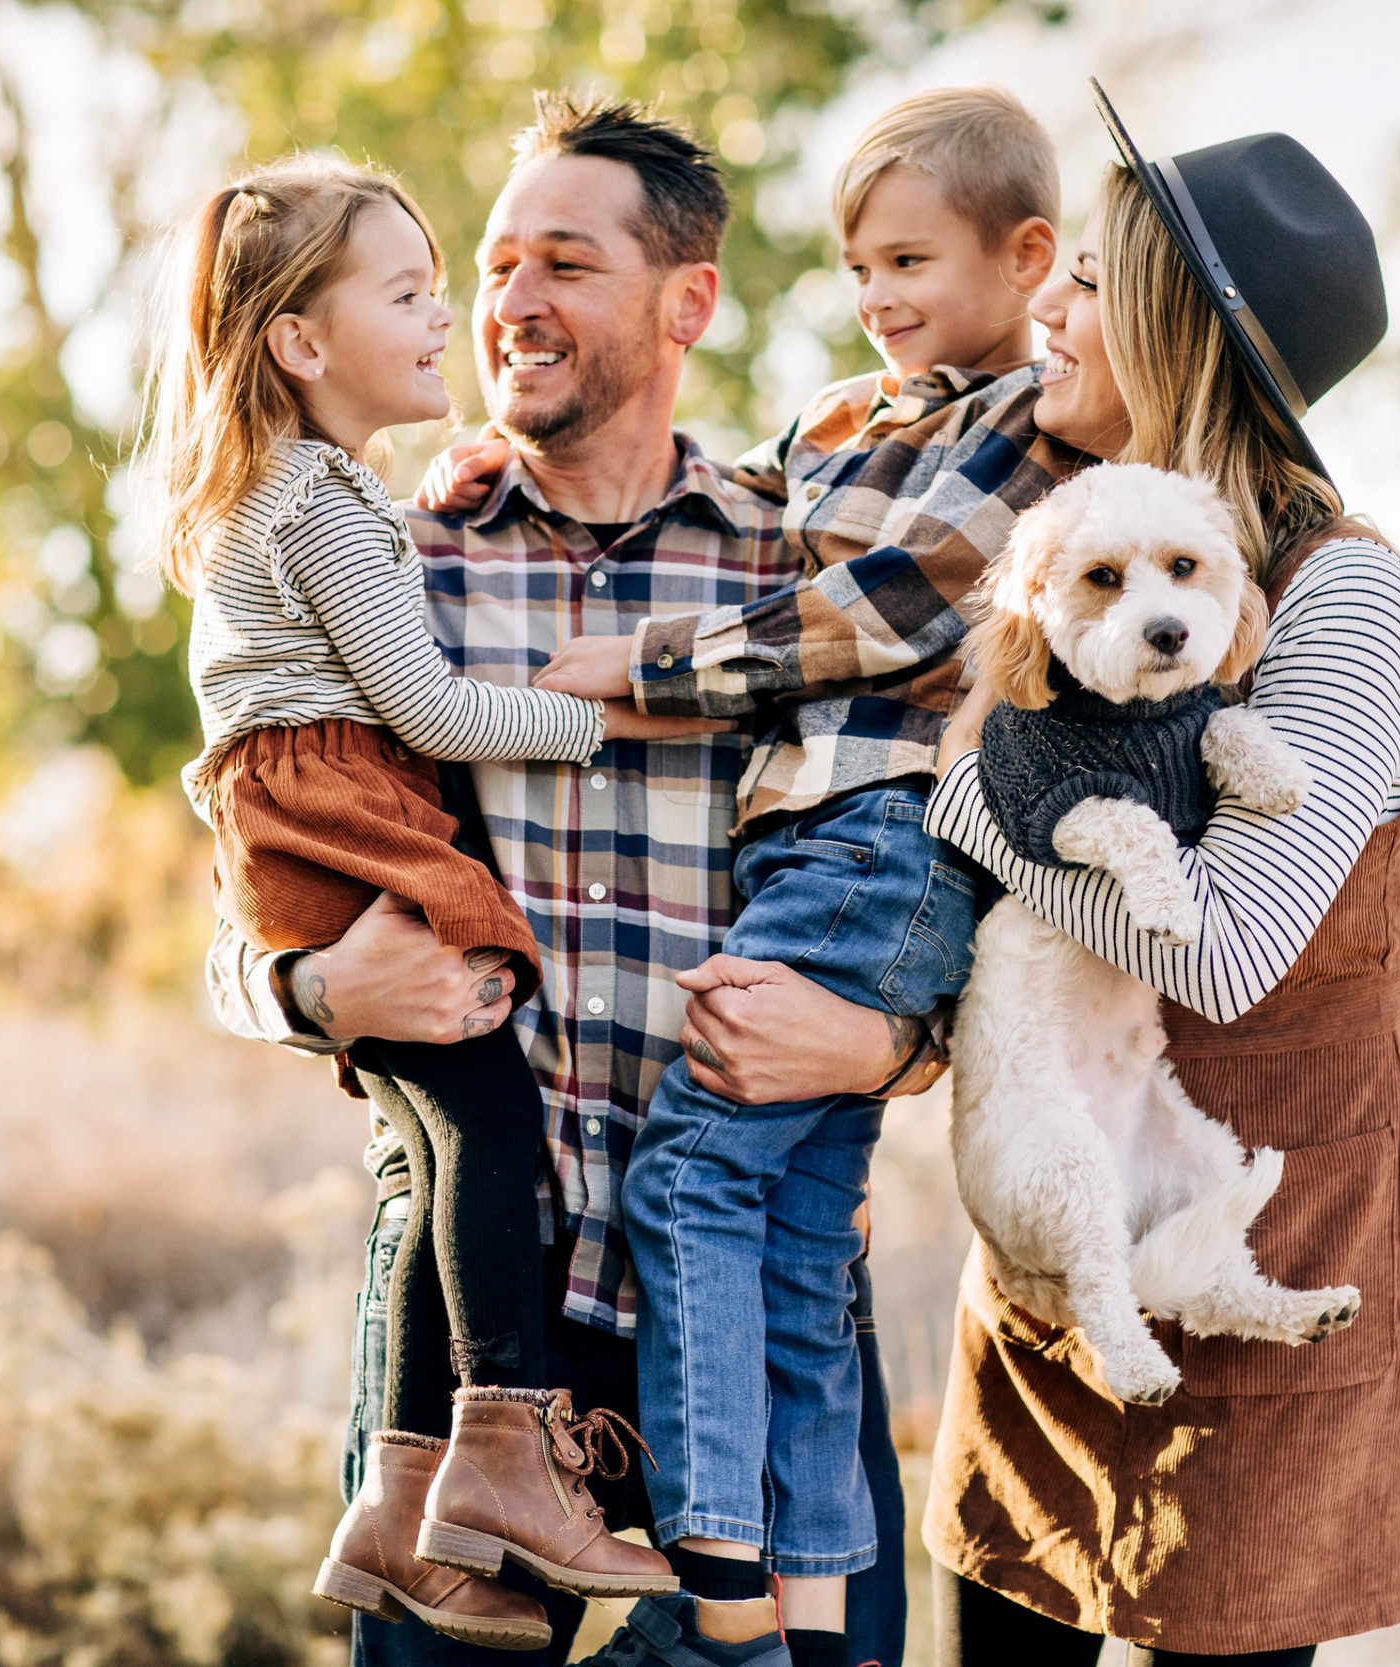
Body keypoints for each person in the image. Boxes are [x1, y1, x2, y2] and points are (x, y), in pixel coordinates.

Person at [202, 95, 929, 1667]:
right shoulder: (393, 561)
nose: (511, 303)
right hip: (483, 1345)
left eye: (567, 264)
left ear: (688, 303)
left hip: (753, 1300)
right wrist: (310, 988)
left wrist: (890, 1047)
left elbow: (936, 887)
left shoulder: (800, 582)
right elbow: (243, 889)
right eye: (494, 265)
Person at [521, 85, 1079, 1667]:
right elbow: (730, 510)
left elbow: (885, 619)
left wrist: (644, 662)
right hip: (799, 844)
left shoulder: (1030, 429)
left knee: (695, 1173)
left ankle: (718, 1577)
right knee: (797, 1229)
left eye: (912, 261)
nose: (882, 298)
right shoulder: (839, 417)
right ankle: (811, 1608)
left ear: (1026, 255)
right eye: (856, 268)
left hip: (886, 835)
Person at [145, 156, 720, 1647]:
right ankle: (506, 1449)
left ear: (684, 301)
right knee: (483, 1121)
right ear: (299, 341)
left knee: (440, 1128)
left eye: (559, 266)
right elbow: (425, 702)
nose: (464, 312)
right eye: (422, 288)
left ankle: (406, 1504)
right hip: (345, 815)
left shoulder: (335, 501)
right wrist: (606, 718)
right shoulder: (342, 509)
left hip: (695, 1283)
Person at [919, 84, 1400, 1664]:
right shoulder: (1070, 539)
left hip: (1251, 1233)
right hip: (1062, 1225)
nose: (1048, 308)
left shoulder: (1344, 600)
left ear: (1177, 330)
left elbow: (1222, 951)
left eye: (1086, 279)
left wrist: (973, 798)